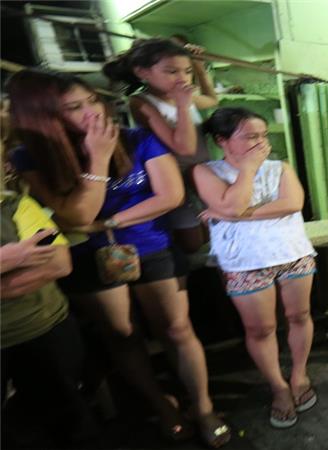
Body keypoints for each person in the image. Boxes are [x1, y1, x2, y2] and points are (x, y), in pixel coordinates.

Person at [7, 69, 230, 448]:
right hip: (86, 256)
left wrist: (107, 221)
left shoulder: (139, 138)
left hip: (150, 243)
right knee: (123, 335)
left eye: (93, 100)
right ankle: (163, 407)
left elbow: (171, 195)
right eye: (75, 108)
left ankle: (204, 406)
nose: (92, 111)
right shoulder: (31, 156)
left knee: (177, 329)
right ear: (48, 118)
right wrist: (98, 160)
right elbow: (74, 218)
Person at [193, 108, 317, 429]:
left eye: (263, 135)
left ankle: (299, 374)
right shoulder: (206, 172)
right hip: (243, 262)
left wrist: (232, 213)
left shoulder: (281, 167)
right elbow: (234, 203)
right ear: (222, 140)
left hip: (292, 252)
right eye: (250, 136)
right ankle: (278, 386)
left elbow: (292, 204)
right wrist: (246, 171)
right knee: (260, 329)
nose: (261, 142)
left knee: (299, 316)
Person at [0, 185, 99, 447]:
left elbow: (58, 264)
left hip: (43, 329)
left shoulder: (14, 205)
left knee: (69, 422)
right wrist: (10, 258)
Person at [103, 37, 218, 253]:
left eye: (187, 71)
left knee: (213, 231)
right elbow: (184, 148)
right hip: (175, 179)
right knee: (192, 241)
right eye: (171, 71)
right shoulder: (141, 102)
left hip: (203, 174)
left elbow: (212, 100)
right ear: (142, 73)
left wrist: (200, 69)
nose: (182, 78)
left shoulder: (184, 95)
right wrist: (183, 105)